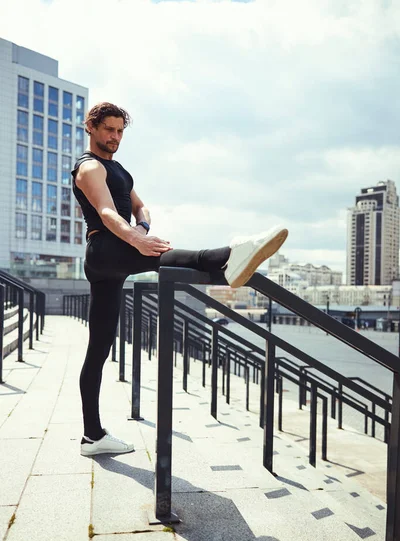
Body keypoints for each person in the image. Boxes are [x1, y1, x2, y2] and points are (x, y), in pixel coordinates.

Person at [71, 102, 288, 457]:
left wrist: (142, 226)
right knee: (168, 258)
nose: (115, 137)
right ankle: (235, 251)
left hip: (122, 248)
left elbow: (141, 207)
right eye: (108, 129)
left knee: (99, 348)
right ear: (91, 128)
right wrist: (137, 239)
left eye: (120, 131)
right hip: (106, 250)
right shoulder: (89, 167)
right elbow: (107, 211)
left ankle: (92, 437)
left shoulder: (119, 168)